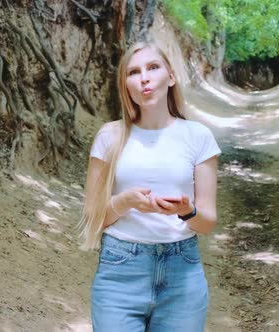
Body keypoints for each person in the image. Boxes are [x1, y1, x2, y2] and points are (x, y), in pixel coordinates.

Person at [79, 41, 221, 332]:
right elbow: (92, 220)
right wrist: (124, 202)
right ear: (126, 86)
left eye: (153, 68)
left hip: (182, 274)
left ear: (170, 77)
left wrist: (186, 210)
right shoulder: (110, 136)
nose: (143, 77)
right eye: (133, 72)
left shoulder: (198, 137)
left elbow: (207, 223)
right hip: (119, 272)